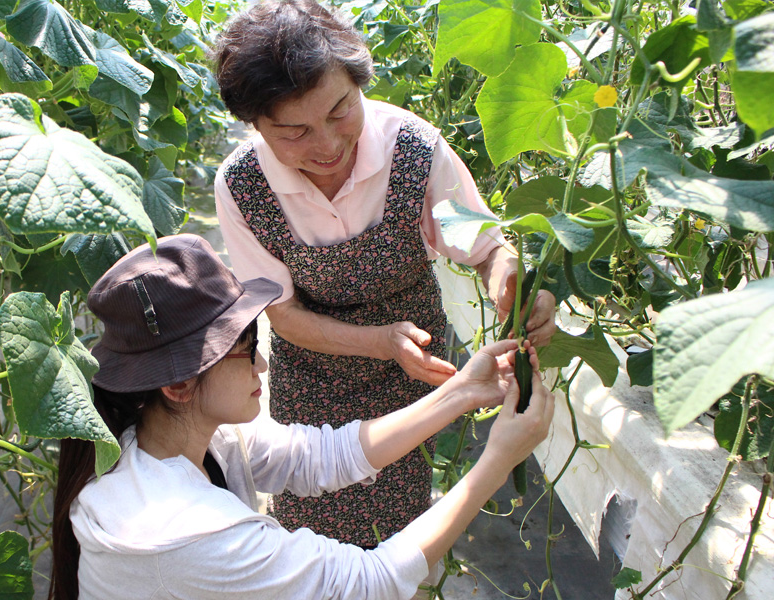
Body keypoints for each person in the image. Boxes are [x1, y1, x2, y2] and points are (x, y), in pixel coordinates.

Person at [210, 0, 558, 546]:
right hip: (314, 377)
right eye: (293, 132)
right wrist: (379, 341)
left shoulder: (414, 149)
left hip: (413, 372)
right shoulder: (242, 186)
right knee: (312, 523)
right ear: (254, 125)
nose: (325, 146)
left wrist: (510, 280)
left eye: (339, 111)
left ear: (359, 83)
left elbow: (485, 248)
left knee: (400, 521)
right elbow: (283, 315)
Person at [48, 233, 554, 600]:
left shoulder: (178, 437)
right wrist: (498, 458)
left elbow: (321, 455)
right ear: (179, 384)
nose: (263, 360)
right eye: (245, 345)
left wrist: (463, 392)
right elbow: (368, 583)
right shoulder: (182, 532)